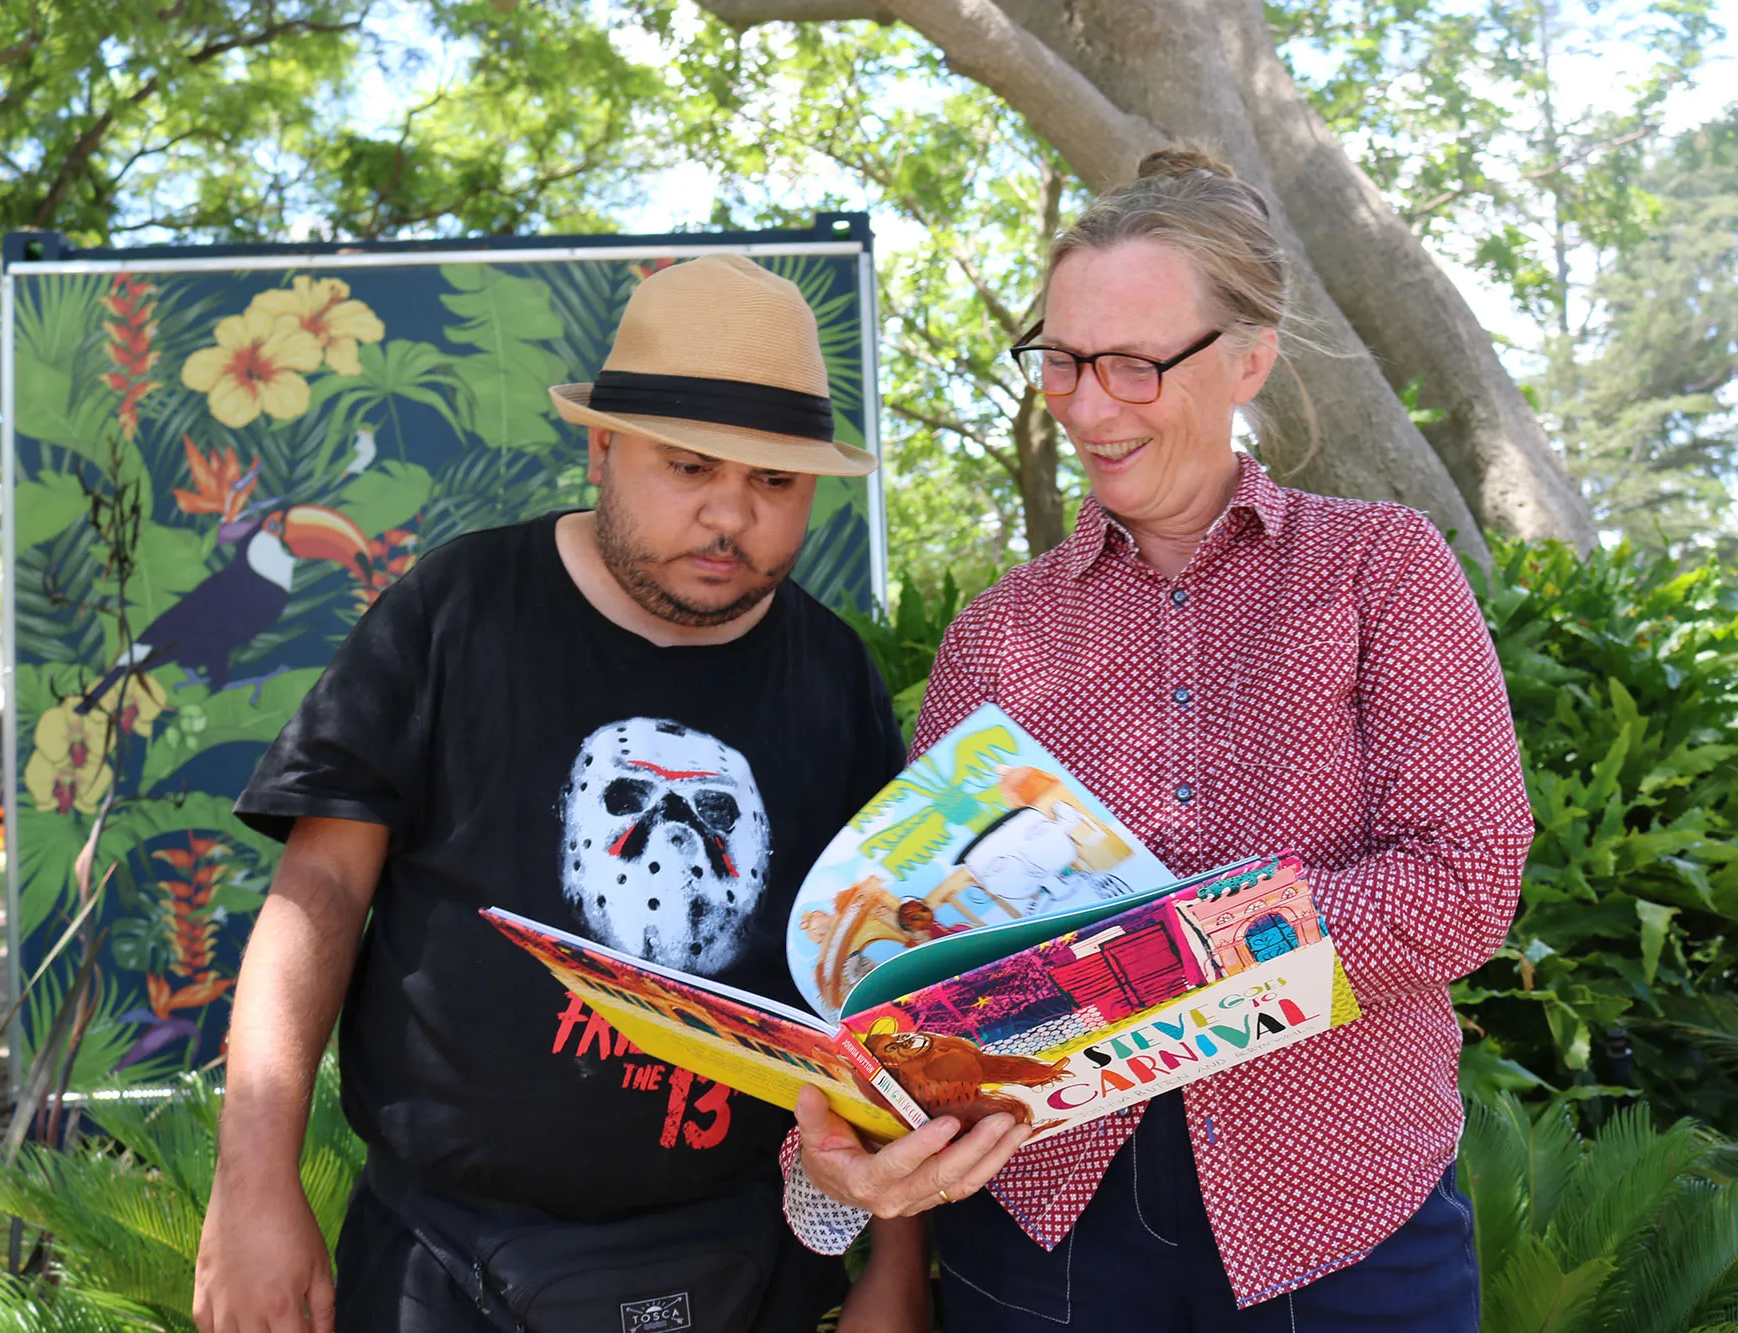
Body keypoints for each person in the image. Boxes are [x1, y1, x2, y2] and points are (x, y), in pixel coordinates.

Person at [784, 149, 1532, 1331]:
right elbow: (927, 966)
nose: (1086, 406)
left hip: (1339, 1214)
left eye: (1133, 364)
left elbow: (1461, 884)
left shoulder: (1378, 570)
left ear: (1248, 359)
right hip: (1045, 1232)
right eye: (1062, 360)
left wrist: (1155, 963)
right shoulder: (996, 636)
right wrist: (831, 1171)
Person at [194, 254, 926, 1333]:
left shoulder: (831, 676)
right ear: (602, 449)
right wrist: (253, 1184)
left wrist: (895, 1266)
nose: (730, 514)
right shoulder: (454, 615)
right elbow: (320, 894)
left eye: (775, 482)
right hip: (441, 1264)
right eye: (688, 466)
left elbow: (883, 976)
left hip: (748, 1256)